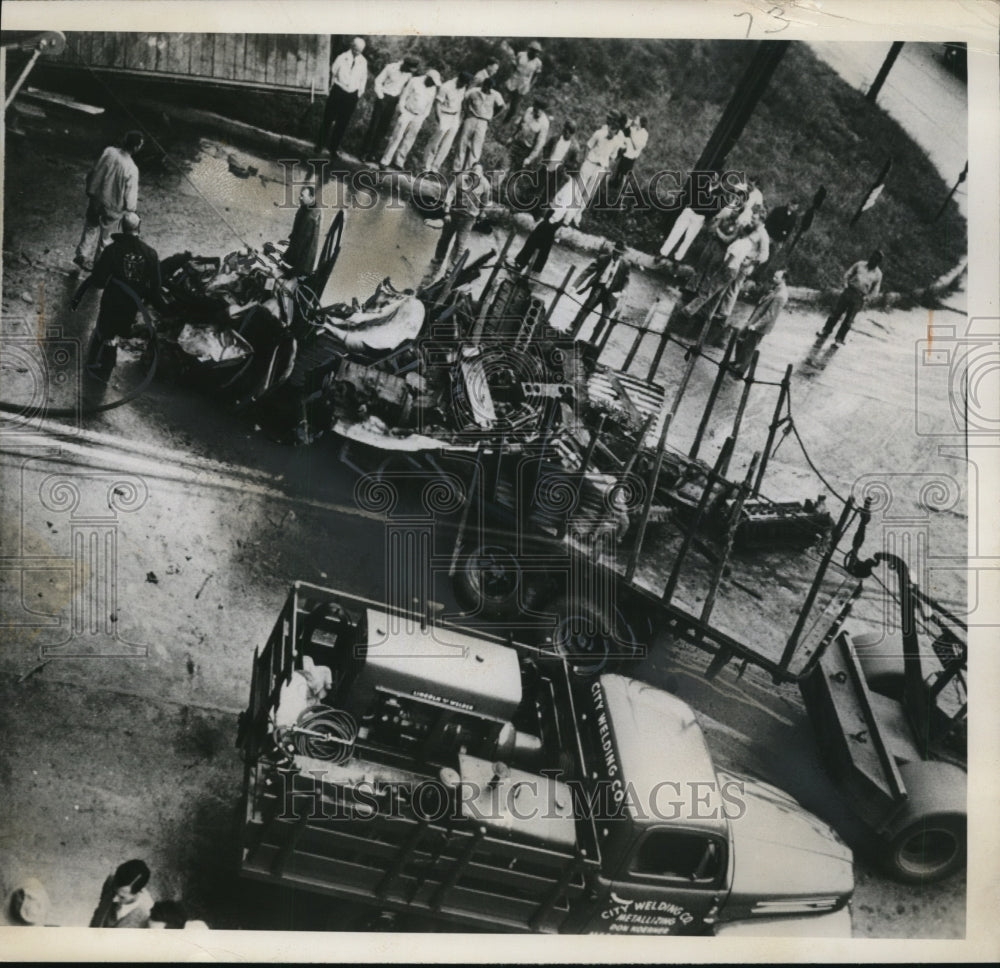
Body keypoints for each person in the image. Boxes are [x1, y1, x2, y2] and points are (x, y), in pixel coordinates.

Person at [70, 212, 163, 383]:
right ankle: (103, 366)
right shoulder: (151, 254)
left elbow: (98, 280)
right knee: (115, 333)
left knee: (106, 331)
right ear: (139, 227)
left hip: (112, 299)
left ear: (121, 226)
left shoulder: (112, 250)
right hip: (131, 304)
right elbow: (155, 288)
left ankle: (102, 368)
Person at [75, 130, 143, 272]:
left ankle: (82, 254)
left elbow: (95, 170)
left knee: (90, 227)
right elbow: (130, 199)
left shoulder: (109, 152)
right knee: (106, 239)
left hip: (97, 199)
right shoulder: (132, 168)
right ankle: (98, 266)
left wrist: (91, 190)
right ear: (136, 147)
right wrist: (131, 210)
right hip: (113, 207)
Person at [656, 171, 726, 265]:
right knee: (676, 232)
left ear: (721, 181)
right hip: (689, 211)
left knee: (688, 238)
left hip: (700, 217)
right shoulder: (701, 184)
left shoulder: (720, 194)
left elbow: (717, 209)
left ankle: (677, 259)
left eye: (717, 178)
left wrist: (707, 216)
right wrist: (689, 205)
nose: (713, 179)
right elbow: (690, 195)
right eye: (713, 177)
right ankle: (663, 253)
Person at [316, 37, 368, 160]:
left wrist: (358, 93)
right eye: (356, 49)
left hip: (351, 95)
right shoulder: (342, 57)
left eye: (360, 51)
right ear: (352, 46)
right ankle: (319, 145)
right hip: (338, 90)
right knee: (328, 119)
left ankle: (333, 148)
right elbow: (333, 72)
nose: (357, 53)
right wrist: (331, 88)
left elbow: (363, 79)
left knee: (342, 123)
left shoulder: (363, 62)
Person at [817, 249, 884, 345]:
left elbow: (875, 290)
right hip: (849, 291)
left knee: (849, 319)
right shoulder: (860, 264)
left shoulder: (878, 274)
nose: (872, 260)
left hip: (860, 297)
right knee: (836, 312)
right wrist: (845, 285)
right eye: (872, 257)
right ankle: (825, 331)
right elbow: (848, 274)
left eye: (876, 260)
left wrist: (867, 298)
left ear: (878, 262)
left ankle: (839, 339)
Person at [360, 54, 419, 161]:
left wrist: (399, 102)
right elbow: (378, 81)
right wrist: (381, 96)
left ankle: (373, 153)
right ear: (404, 64)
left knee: (383, 128)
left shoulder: (408, 74)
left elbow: (405, 89)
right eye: (408, 69)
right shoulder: (391, 68)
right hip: (383, 97)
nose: (409, 71)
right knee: (374, 126)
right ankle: (364, 152)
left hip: (393, 102)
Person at [570, 239, 630, 344]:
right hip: (599, 288)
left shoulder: (625, 265)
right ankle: (572, 329)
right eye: (615, 252)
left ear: (622, 255)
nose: (616, 255)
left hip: (612, 293)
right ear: (613, 251)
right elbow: (588, 271)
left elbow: (626, 279)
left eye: (619, 254)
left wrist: (623, 290)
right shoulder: (604, 258)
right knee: (586, 309)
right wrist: (575, 286)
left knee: (604, 319)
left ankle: (592, 341)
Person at [431, 163, 491, 268]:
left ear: (481, 175)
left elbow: (484, 202)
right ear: (470, 171)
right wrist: (447, 212)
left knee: (460, 242)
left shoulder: (485, 185)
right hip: (454, 212)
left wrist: (481, 213)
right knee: (445, 237)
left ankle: (452, 267)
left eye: (477, 175)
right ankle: (438, 257)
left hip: (469, 217)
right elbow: (451, 193)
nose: (474, 177)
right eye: (472, 174)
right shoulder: (461, 178)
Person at [731, 269, 789, 376]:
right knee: (740, 338)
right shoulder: (775, 289)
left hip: (759, 325)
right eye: (774, 276)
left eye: (776, 278)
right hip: (753, 320)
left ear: (783, 279)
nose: (773, 279)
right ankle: (738, 361)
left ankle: (740, 371)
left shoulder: (781, 295)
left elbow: (770, 315)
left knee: (749, 347)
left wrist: (756, 326)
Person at [379, 69, 441, 169]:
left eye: (434, 83)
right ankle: (385, 160)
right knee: (397, 136)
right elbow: (404, 96)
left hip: (419, 116)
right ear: (427, 78)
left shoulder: (432, 88)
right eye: (432, 82)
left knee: (409, 140)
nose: (433, 84)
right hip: (407, 112)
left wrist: (423, 116)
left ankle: (399, 162)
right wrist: (402, 110)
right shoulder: (414, 81)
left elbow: (429, 106)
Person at [573, 114, 627, 224]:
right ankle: (570, 210)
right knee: (579, 187)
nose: (611, 132)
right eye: (610, 128)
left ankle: (578, 214)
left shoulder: (617, 141)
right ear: (608, 127)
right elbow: (588, 146)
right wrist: (585, 160)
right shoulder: (599, 133)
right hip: (590, 162)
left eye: (614, 130)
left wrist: (607, 169)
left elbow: (613, 157)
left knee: (589, 192)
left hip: (601, 167)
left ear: (617, 131)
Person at [452, 77, 505, 171]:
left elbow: (501, 107)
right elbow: (464, 99)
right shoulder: (474, 91)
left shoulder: (495, 95)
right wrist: (466, 110)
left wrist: (493, 116)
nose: (487, 89)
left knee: (476, 147)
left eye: (489, 87)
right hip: (471, 118)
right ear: (483, 85)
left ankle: (469, 171)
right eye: (486, 86)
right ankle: (457, 169)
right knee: (462, 143)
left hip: (483, 121)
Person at [423, 72, 471, 171]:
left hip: (454, 117)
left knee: (447, 144)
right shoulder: (446, 87)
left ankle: (435, 168)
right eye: (462, 83)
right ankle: (426, 166)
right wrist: (439, 119)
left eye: (465, 84)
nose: (463, 85)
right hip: (444, 114)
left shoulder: (463, 87)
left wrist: (458, 119)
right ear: (459, 80)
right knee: (435, 141)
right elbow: (437, 104)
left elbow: (459, 103)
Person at [90, 859, 154, 928]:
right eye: (114, 892)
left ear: (139, 892)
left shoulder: (147, 916)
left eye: (122, 897)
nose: (114, 899)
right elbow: (99, 911)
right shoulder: (111, 882)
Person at [281, 185, 322, 277]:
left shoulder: (312, 216)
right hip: (295, 248)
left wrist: (295, 270)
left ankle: (296, 272)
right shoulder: (305, 207)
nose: (300, 197)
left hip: (301, 261)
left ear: (311, 197)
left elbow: (304, 244)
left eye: (303, 195)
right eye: (300, 195)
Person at [502, 41, 543, 122]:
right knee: (503, 100)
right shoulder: (521, 55)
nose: (535, 53)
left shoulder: (538, 63)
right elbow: (513, 65)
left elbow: (536, 76)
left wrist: (530, 86)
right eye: (533, 51)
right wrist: (511, 75)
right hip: (514, 79)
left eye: (537, 52)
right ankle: (492, 115)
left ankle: (504, 122)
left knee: (514, 108)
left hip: (524, 84)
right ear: (529, 49)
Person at [507, 99, 550, 172]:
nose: (536, 112)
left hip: (526, 150)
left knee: (515, 171)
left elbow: (539, 144)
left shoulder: (544, 123)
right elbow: (520, 124)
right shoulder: (529, 110)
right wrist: (512, 137)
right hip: (517, 142)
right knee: (506, 163)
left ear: (543, 111)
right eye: (535, 109)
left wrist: (529, 158)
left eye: (539, 110)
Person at [609, 114, 648, 194]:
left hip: (631, 158)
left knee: (624, 176)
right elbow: (621, 134)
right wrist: (627, 126)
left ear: (640, 122)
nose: (634, 120)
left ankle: (620, 194)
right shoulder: (632, 128)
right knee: (616, 172)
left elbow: (637, 146)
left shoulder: (644, 134)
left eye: (637, 119)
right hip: (623, 154)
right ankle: (611, 189)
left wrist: (632, 134)